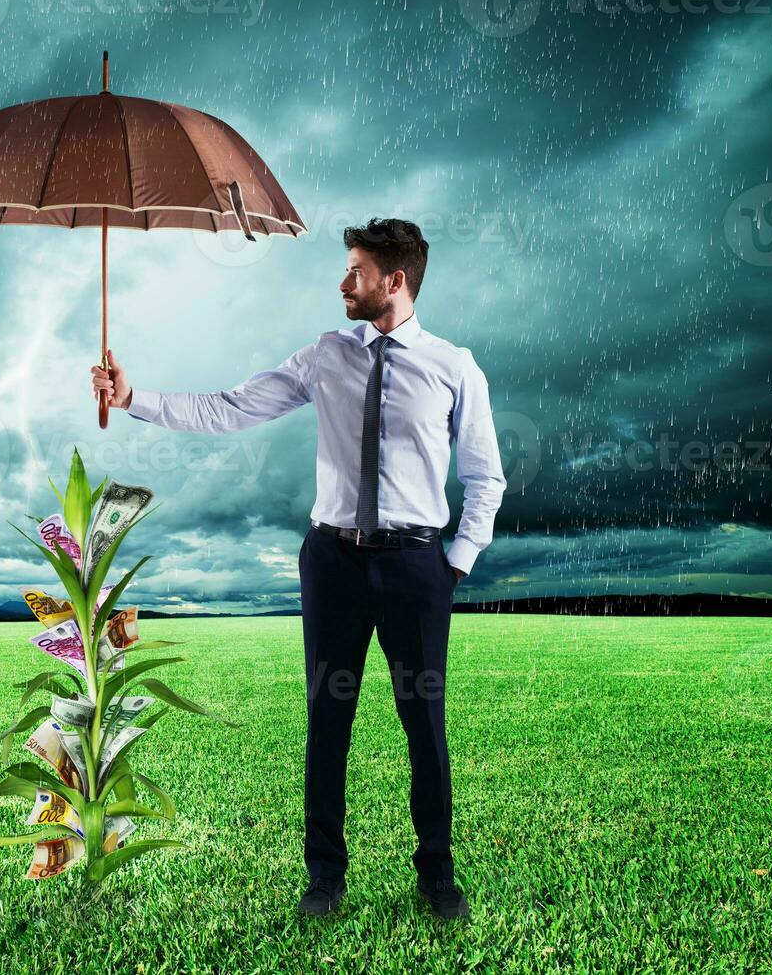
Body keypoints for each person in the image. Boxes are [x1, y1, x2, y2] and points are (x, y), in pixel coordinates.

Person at [90, 218, 506, 920]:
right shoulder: (324, 356)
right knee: (327, 720)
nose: (342, 282)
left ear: (393, 281)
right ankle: (324, 878)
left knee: (423, 726)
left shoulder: (453, 365)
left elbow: (485, 476)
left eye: (355, 270)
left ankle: (436, 876)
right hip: (332, 563)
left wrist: (453, 565)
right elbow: (230, 408)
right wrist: (133, 400)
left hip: (414, 567)